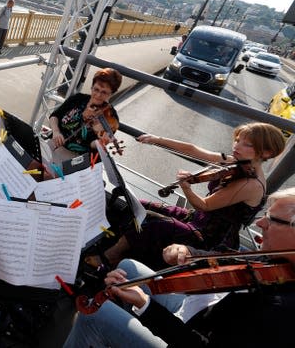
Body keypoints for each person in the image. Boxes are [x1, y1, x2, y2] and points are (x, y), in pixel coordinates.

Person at [63, 187, 295, 348]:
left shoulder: (281, 311)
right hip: (204, 311)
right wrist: (190, 253)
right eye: (266, 214)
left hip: (193, 332)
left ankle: (105, 331)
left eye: (273, 220)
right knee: (128, 266)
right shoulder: (276, 262)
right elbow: (228, 259)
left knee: (95, 317)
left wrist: (145, 306)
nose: (259, 223)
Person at [90, 122, 285, 270]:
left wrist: (187, 187)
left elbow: (205, 205)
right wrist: (156, 139)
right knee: (137, 205)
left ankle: (110, 256)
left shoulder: (252, 184)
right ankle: (117, 243)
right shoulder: (237, 161)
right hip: (196, 219)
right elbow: (194, 150)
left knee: (151, 221)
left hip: (209, 238)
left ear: (265, 152)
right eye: (237, 140)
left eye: (247, 144)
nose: (237, 145)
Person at [48, 68, 122, 163]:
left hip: (77, 159)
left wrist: (100, 143)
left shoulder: (111, 118)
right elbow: (55, 116)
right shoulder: (78, 99)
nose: (98, 95)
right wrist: (56, 132)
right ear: (91, 87)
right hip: (55, 145)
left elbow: (91, 145)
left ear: (111, 94)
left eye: (104, 92)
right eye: (96, 89)